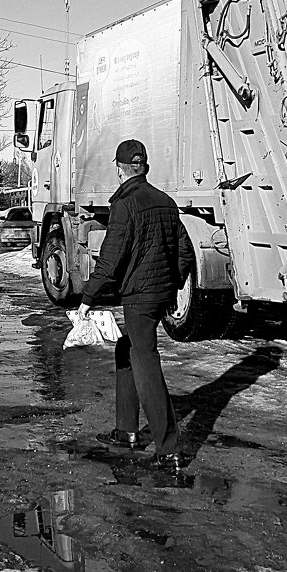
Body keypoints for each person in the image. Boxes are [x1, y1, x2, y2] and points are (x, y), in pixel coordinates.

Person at [76, 139, 196, 470]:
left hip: (139, 298)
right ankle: (126, 430)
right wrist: (172, 283)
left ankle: (169, 448)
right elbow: (185, 251)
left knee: (146, 363)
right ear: (143, 167)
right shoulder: (165, 201)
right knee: (127, 349)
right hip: (159, 294)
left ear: (119, 169)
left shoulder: (124, 205)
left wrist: (87, 298)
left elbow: (110, 259)